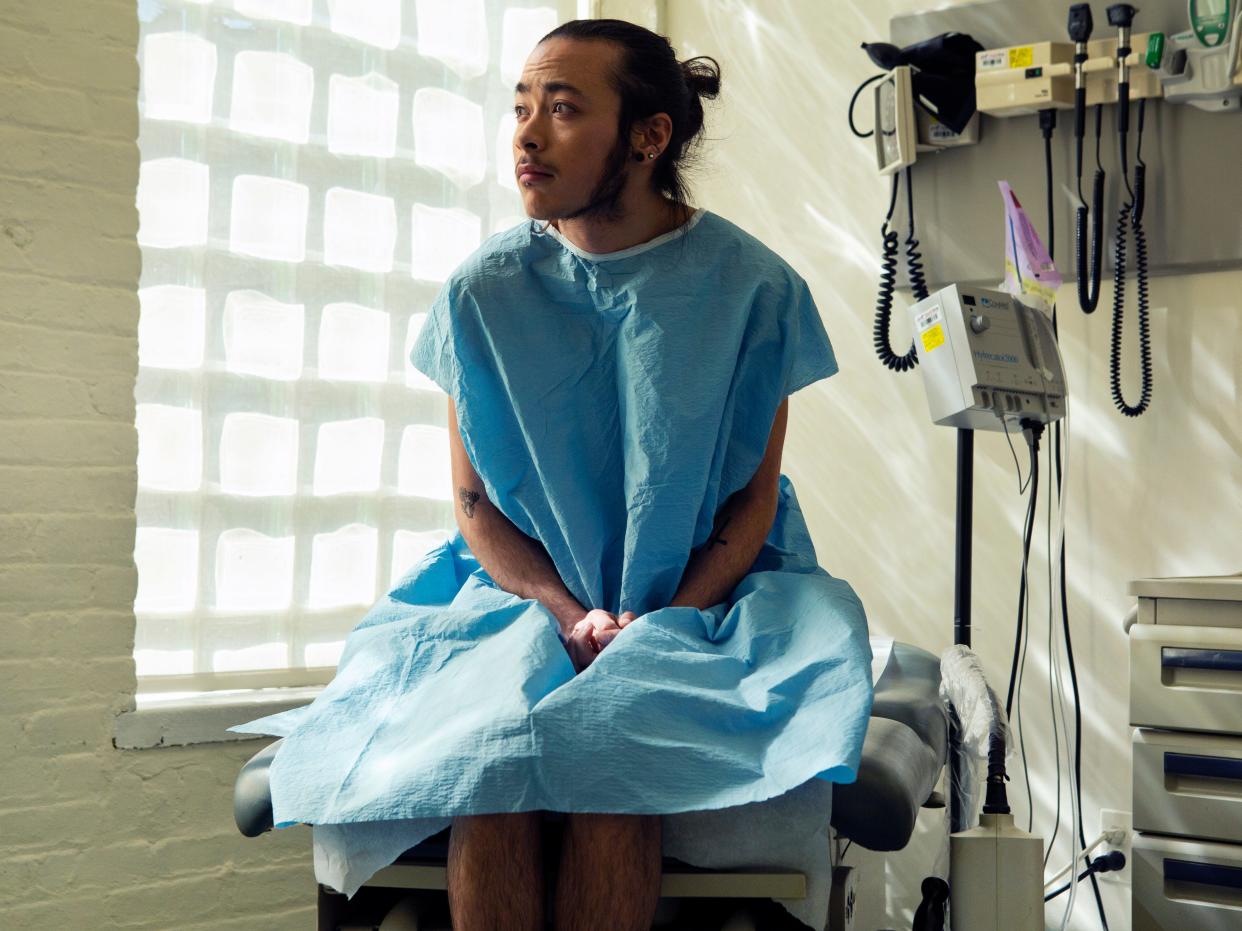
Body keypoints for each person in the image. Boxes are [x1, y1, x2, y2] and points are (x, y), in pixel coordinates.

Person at [229, 17, 872, 931]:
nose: (527, 134)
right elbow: (474, 505)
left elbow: (751, 507)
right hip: (517, 590)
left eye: (563, 109)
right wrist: (565, 615)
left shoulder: (754, 290)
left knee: (612, 746)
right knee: (496, 755)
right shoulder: (478, 294)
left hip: (710, 596)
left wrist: (659, 620)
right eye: (522, 107)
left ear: (649, 136)